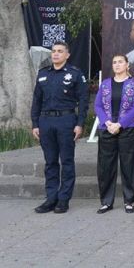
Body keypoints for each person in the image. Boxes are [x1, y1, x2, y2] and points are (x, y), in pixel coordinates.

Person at [30, 41, 88, 214]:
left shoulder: (75, 74)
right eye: (53, 51)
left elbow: (83, 101)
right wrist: (35, 123)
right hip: (46, 122)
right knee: (50, 162)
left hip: (66, 121)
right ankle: (51, 198)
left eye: (60, 51)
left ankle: (63, 200)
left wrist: (80, 124)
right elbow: (36, 101)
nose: (55, 54)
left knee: (67, 161)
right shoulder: (43, 74)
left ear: (67, 55)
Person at [94, 54, 134, 214]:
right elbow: (98, 105)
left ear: (127, 65)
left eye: (120, 62)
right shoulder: (105, 84)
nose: (117, 65)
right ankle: (106, 201)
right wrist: (107, 123)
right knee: (106, 166)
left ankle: (129, 200)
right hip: (107, 129)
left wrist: (120, 124)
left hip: (128, 129)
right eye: (114, 62)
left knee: (129, 165)